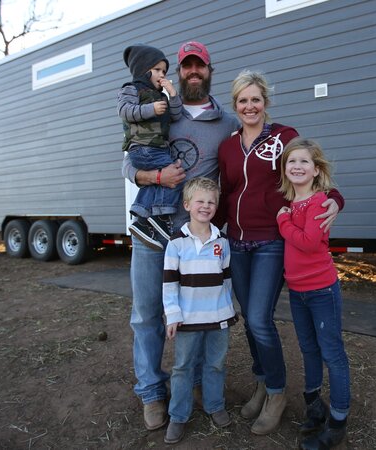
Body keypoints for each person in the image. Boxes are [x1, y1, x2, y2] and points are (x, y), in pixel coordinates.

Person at [217, 70, 344, 435]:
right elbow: (226, 194)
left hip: (272, 240)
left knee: (259, 318)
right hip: (237, 242)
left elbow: (309, 171)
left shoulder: (283, 136)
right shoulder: (227, 146)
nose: (250, 106)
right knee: (249, 318)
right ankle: (262, 382)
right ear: (235, 105)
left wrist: (335, 198)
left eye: (256, 99)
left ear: (265, 102)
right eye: (243, 100)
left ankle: (276, 393)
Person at [122, 41, 239, 432]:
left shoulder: (226, 122)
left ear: (209, 70)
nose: (192, 72)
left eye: (199, 66)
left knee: (202, 315)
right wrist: (155, 177)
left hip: (197, 238)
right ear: (177, 72)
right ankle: (153, 393)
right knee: (147, 315)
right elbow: (127, 163)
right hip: (153, 229)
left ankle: (202, 385)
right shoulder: (155, 107)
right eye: (186, 66)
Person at [276, 138, 350, 450]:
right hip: (297, 291)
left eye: (304, 162)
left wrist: (282, 221)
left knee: (332, 352)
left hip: (321, 290)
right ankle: (314, 405)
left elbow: (307, 241)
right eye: (291, 161)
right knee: (308, 349)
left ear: (316, 170)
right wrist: (286, 214)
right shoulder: (291, 204)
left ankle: (338, 420)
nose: (297, 166)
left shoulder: (320, 202)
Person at [162, 177, 237, 444]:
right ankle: (178, 416)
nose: (205, 206)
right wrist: (173, 315)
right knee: (183, 367)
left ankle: (215, 405)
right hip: (188, 319)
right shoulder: (177, 243)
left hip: (218, 318)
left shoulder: (222, 241)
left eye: (211, 202)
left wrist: (228, 309)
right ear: (187, 204)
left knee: (215, 364)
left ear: (216, 206)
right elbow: (169, 283)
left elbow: (226, 278)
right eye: (200, 201)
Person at [118, 44, 183, 250]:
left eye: (164, 71)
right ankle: (161, 217)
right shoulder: (131, 88)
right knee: (175, 177)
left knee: (157, 182)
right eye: (157, 70)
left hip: (157, 148)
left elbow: (176, 116)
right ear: (143, 70)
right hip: (143, 147)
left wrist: (172, 95)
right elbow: (125, 111)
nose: (161, 74)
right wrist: (150, 109)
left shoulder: (162, 96)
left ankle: (141, 217)